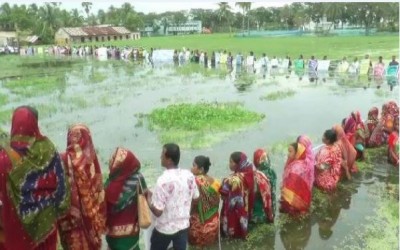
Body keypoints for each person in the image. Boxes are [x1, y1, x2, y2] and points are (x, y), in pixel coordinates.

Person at [0, 106, 70, 250]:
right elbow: (61, 187)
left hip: (18, 233)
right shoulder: (48, 150)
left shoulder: (4, 159)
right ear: (35, 125)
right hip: (46, 228)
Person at [58, 124, 106, 250]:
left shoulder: (62, 159)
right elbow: (98, 192)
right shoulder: (92, 162)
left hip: (70, 223)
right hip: (91, 222)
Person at [146, 143, 199, 250]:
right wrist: (187, 212)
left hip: (164, 229)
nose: (160, 157)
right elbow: (196, 198)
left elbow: (158, 211)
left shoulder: (163, 180)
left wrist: (148, 200)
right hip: (183, 226)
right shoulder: (188, 175)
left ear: (169, 159)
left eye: (162, 154)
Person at [104, 147, 147, 250]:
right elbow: (144, 197)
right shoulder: (138, 178)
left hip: (112, 233)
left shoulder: (111, 181)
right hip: (130, 232)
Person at [220, 152, 255, 238]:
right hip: (245, 207)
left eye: (231, 162)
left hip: (234, 209)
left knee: (232, 229)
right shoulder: (250, 174)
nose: (229, 164)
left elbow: (223, 194)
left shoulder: (232, 180)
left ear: (238, 164)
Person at [188, 155, 220, 247]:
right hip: (213, 222)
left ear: (201, 169)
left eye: (193, 165)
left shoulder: (196, 181)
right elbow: (216, 202)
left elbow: (193, 202)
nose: (191, 168)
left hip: (199, 225)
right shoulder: (216, 182)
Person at [280, 142, 313, 216]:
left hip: (295, 198)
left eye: (290, 151)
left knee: (292, 214)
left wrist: (283, 191)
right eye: (288, 151)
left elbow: (291, 185)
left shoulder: (296, 168)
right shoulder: (304, 162)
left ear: (297, 153)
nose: (288, 154)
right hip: (304, 196)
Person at [252, 149, 275, 223]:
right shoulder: (258, 175)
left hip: (266, 202)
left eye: (266, 158)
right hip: (264, 203)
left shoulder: (270, 172)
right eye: (262, 159)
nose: (265, 161)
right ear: (257, 160)